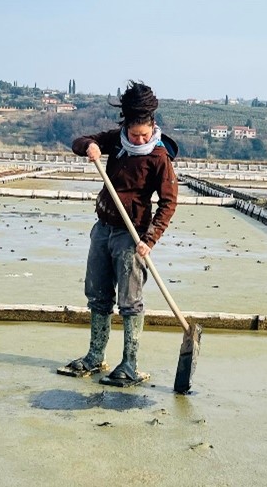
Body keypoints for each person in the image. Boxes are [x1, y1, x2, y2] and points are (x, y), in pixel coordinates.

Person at [62, 80, 179, 385]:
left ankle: (129, 363)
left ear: (152, 125)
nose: (138, 139)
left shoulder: (159, 156)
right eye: (133, 133)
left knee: (130, 301)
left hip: (133, 236)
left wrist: (149, 240)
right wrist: (89, 147)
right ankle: (95, 356)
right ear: (126, 125)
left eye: (143, 134)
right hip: (103, 230)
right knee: (98, 295)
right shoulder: (115, 141)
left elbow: (168, 203)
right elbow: (79, 140)